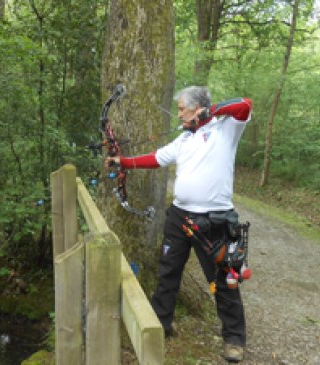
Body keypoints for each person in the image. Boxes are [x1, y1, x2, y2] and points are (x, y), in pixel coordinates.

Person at [105, 86, 252, 363]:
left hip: (214, 221)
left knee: (223, 279)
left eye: (183, 108)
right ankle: (161, 324)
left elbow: (245, 104)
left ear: (199, 108)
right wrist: (122, 161)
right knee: (168, 270)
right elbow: (156, 158)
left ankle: (234, 337)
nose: (179, 113)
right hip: (179, 216)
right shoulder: (184, 139)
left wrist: (213, 111)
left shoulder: (226, 129)